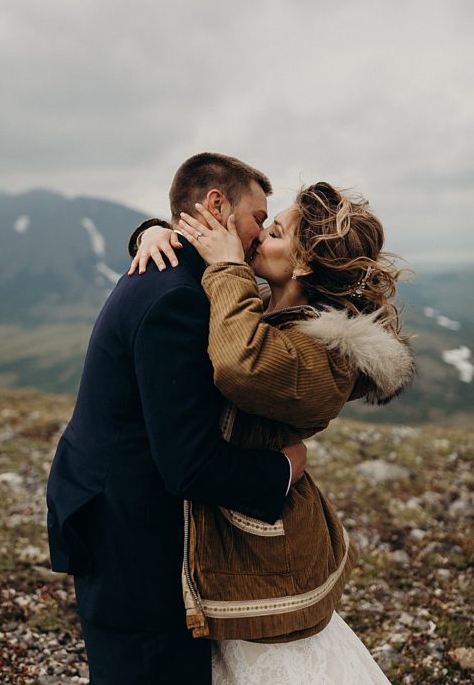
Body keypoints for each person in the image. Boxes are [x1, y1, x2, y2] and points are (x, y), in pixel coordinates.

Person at [130, 181, 413, 684]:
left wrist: (227, 267)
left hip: (266, 551)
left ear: (303, 265)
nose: (259, 237)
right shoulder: (265, 307)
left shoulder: (325, 357)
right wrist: (155, 234)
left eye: (276, 232)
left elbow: (242, 365)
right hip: (233, 532)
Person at [46, 153, 309, 683]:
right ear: (217, 205)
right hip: (131, 537)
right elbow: (187, 463)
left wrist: (151, 231)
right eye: (259, 217)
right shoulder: (180, 298)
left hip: (114, 512)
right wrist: (282, 470)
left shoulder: (180, 272)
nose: (261, 234)